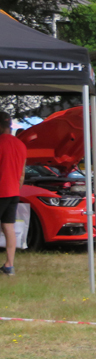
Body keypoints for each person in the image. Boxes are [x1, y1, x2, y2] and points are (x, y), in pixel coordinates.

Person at [0, 112, 28, 276]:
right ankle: (9, 265)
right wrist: (17, 189)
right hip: (13, 192)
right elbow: (22, 174)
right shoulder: (21, 145)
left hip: (1, 191)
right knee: (8, 226)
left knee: (7, 226)